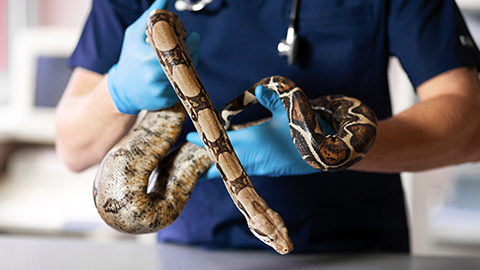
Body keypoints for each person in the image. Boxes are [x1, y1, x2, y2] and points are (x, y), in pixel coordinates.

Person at [55, 0, 480, 253]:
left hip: (357, 249)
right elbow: (72, 147)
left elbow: (471, 124)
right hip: (194, 247)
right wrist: (117, 92)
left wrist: (328, 149)